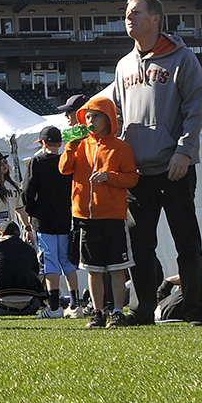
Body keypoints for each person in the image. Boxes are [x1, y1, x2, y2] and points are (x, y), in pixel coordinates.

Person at [114, 0, 202, 325]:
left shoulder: (183, 58)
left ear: (155, 19)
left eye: (136, 13)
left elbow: (195, 109)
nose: (129, 18)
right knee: (140, 245)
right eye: (127, 13)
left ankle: (196, 311)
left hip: (174, 167)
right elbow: (119, 117)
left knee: (187, 242)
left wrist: (184, 151)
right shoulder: (124, 64)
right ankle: (141, 311)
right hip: (138, 172)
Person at [59, 94, 139, 328]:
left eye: (94, 116)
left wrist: (109, 177)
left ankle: (116, 310)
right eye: (87, 117)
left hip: (113, 216)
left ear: (108, 119)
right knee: (93, 269)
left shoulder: (121, 147)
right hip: (85, 217)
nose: (89, 121)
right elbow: (64, 169)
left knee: (116, 268)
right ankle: (97, 311)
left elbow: (133, 178)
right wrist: (71, 145)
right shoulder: (80, 144)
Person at [21, 125, 84, 318]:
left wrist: (30, 214)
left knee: (49, 263)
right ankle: (75, 305)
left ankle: (55, 306)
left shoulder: (37, 162)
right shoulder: (68, 161)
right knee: (68, 261)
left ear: (44, 143)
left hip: (44, 218)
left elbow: (28, 192)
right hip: (65, 216)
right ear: (60, 143)